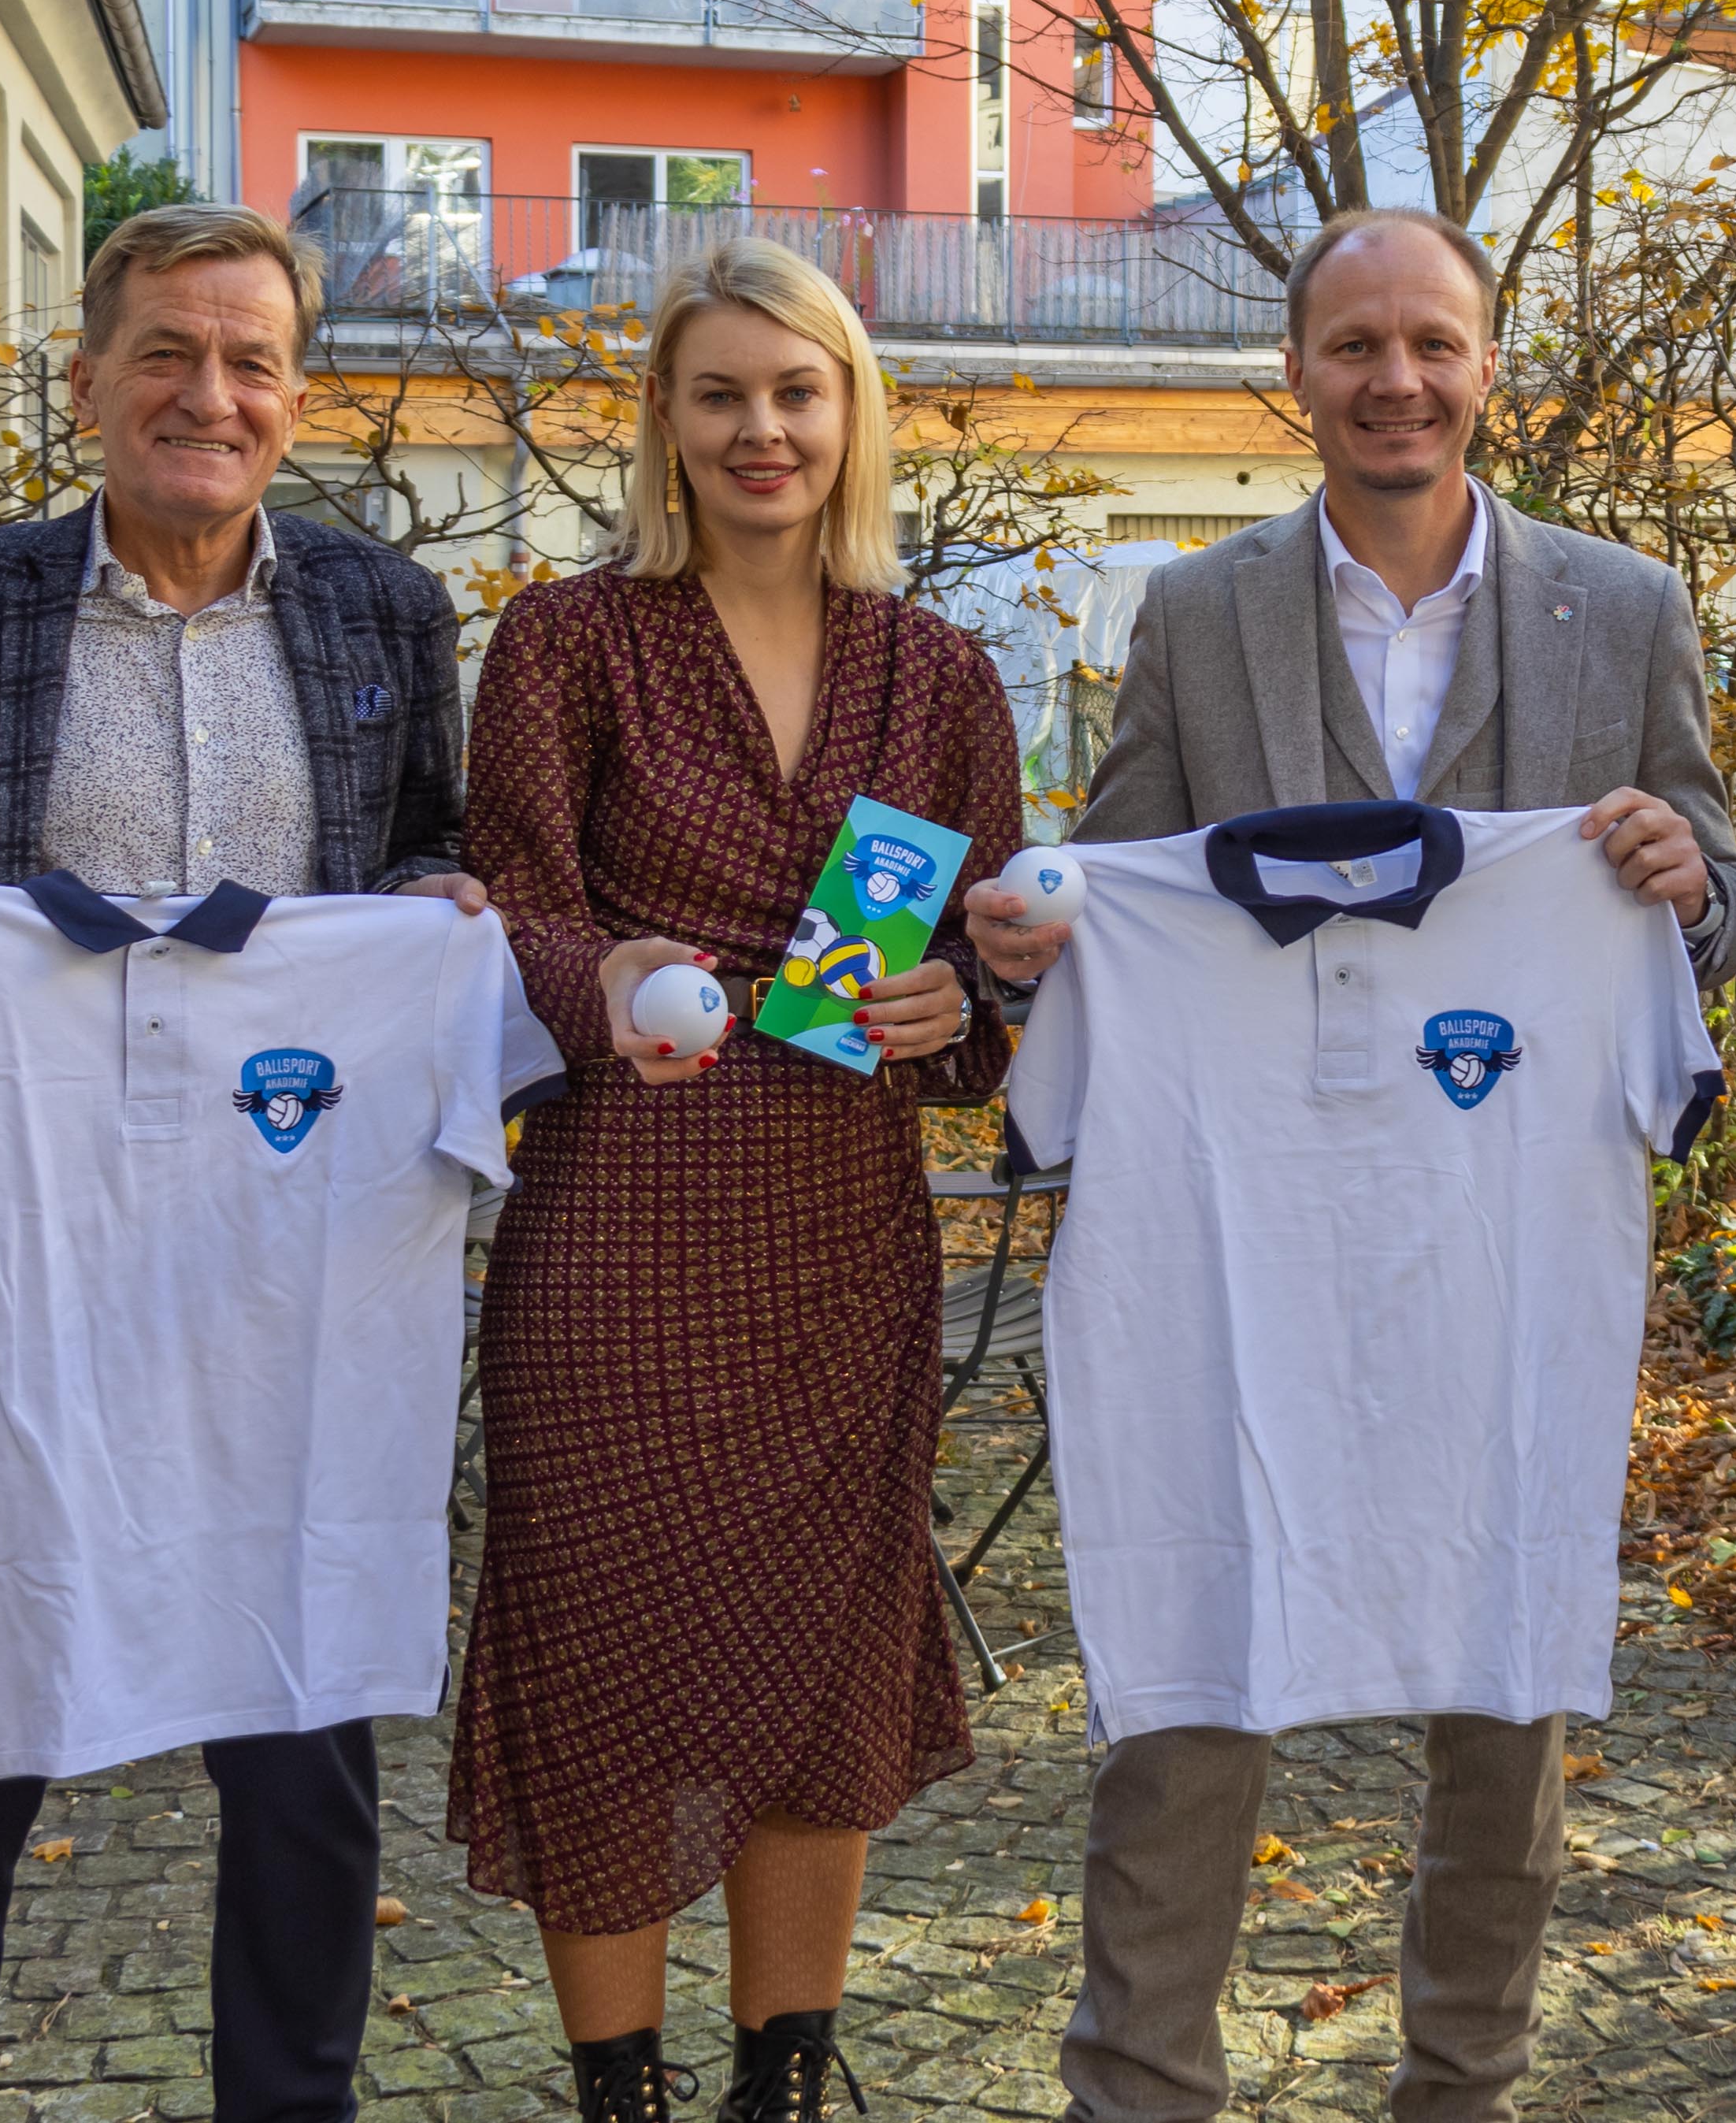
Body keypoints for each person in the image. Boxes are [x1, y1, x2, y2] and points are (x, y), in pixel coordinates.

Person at [962, 203, 1736, 2123]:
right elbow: (1118, 873)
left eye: (1432, 342)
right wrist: (1036, 940)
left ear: (1488, 362)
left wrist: (1685, 883)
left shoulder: (1620, 605)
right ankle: (1138, 2084)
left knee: (1507, 1683)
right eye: (1353, 346)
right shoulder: (1201, 610)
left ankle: (1458, 2086)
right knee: (1193, 1672)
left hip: (1507, 1244)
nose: (1394, 380)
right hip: (1244, 1247)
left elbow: (1721, 898)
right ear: (1296, 370)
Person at [0, 201, 487, 2123]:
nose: (205, 393)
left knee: (302, 1726)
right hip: (19, 1248)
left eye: (247, 359)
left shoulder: (379, 611)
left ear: (298, 398)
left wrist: (434, 906)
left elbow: (418, 849)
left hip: (286, 1249)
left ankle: (288, 2104)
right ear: (85, 381)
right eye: (164, 350)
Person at [448, 239, 1024, 2123]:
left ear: (849, 412)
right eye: (721, 394)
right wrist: (596, 972)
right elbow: (517, 902)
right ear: (666, 427)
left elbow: (984, 975)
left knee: (826, 1641)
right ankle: (618, 2087)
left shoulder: (937, 674)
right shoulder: (569, 637)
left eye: (797, 389)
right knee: (604, 1635)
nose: (762, 427)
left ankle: (785, 2079)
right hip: (621, 1202)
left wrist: (954, 1002)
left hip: (839, 1218)